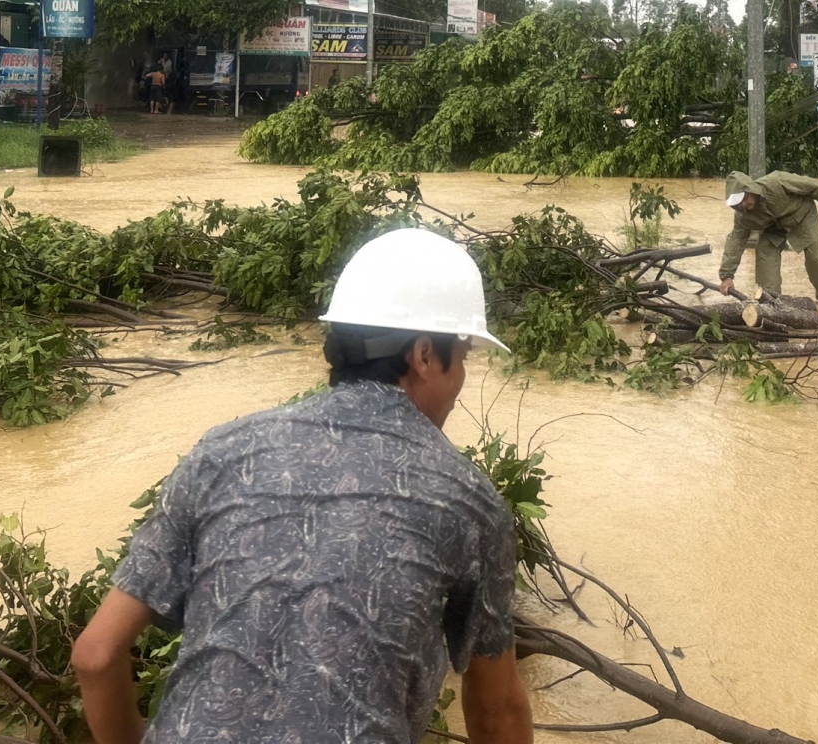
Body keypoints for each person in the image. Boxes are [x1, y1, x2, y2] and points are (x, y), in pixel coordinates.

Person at [71, 229, 535, 744]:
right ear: (425, 355)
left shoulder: (223, 453)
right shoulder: (468, 498)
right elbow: (497, 715)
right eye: (464, 356)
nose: (462, 378)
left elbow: (95, 656)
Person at [718, 170, 818, 315]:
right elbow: (736, 242)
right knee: (765, 265)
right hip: (772, 229)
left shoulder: (775, 181)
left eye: (745, 199)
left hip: (801, 216)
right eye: (738, 204)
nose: (744, 205)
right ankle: (770, 304)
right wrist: (727, 276)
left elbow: (807, 184)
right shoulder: (742, 216)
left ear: (751, 190)